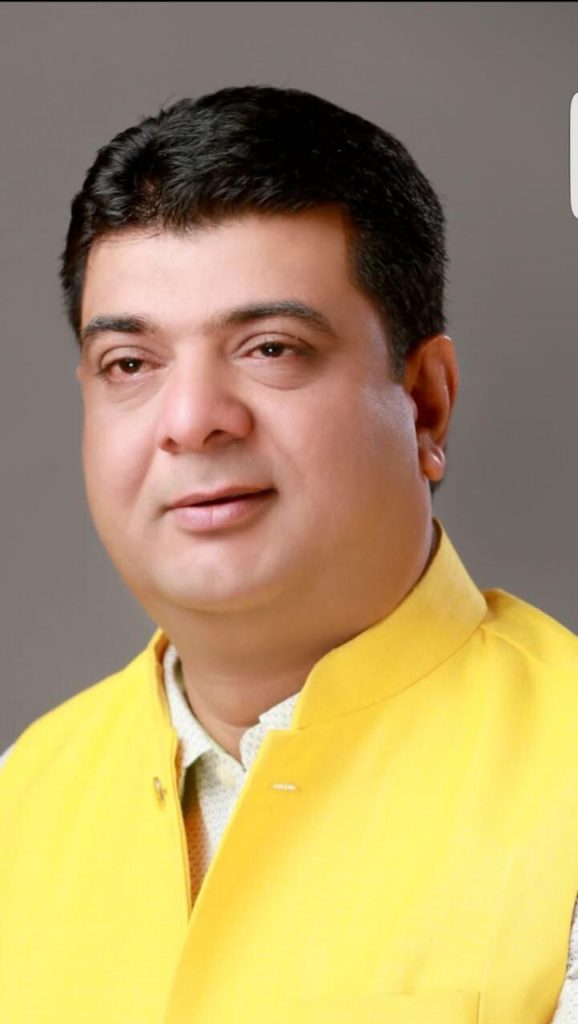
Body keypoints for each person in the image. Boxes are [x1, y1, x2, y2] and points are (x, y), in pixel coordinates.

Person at [0, 85, 577, 1024]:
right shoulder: (19, 798)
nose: (192, 421)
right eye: (130, 365)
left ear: (426, 404)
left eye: (270, 348)